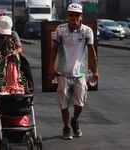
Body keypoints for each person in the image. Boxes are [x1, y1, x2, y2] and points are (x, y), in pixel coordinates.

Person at [49, 3, 99, 140]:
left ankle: (75, 120)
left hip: (80, 73)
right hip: (63, 73)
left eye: (77, 15)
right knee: (63, 102)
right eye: (71, 15)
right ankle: (66, 126)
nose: (74, 18)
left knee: (80, 103)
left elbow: (92, 51)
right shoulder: (61, 30)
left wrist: (95, 70)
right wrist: (51, 67)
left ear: (81, 16)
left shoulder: (87, 31)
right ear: (68, 16)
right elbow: (54, 49)